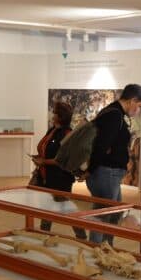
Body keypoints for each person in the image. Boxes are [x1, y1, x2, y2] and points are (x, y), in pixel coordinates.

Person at [86, 84, 141, 244]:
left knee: (114, 213)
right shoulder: (114, 115)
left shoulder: (114, 112)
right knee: (103, 214)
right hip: (106, 173)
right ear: (132, 100)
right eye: (139, 106)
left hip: (109, 173)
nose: (139, 110)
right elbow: (101, 146)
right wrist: (91, 170)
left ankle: (106, 246)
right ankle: (97, 248)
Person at [31, 101, 86, 239]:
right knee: (47, 208)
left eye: (54, 112)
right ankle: (45, 235)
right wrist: (40, 157)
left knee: (68, 209)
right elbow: (46, 149)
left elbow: (62, 160)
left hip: (60, 179)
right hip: (47, 176)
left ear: (60, 116)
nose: (52, 114)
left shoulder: (67, 133)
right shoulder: (52, 130)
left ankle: (82, 237)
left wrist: (43, 161)